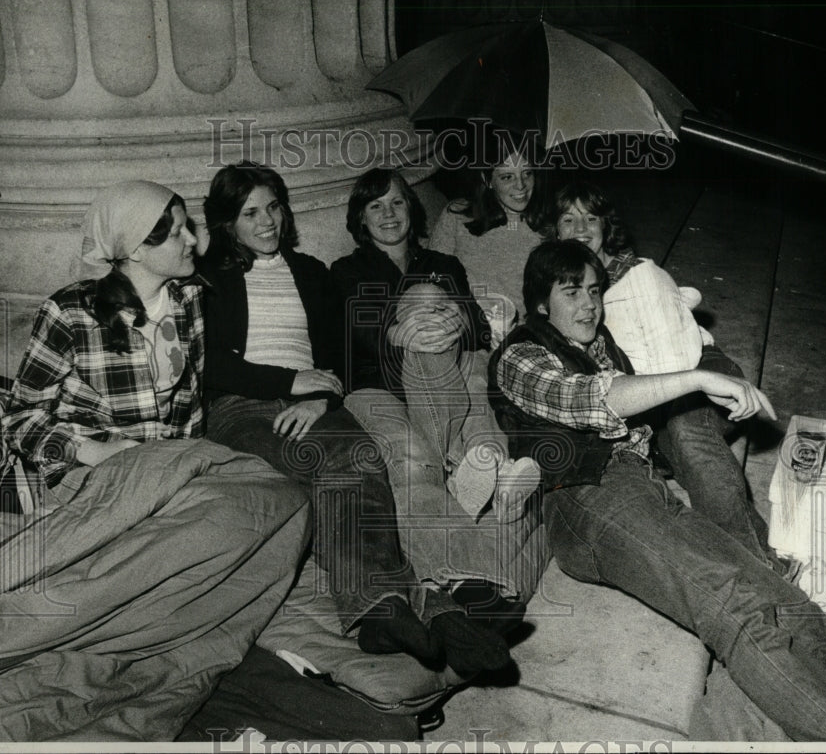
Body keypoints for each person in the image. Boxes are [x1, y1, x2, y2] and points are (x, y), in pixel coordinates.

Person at [487, 240, 826, 742]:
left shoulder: (602, 346)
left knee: (789, 603)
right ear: (539, 303)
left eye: (594, 291)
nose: (589, 304)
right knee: (735, 604)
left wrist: (708, 373)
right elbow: (593, 400)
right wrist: (695, 377)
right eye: (570, 292)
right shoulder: (521, 354)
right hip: (586, 498)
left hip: (637, 489)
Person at [0, 181, 312, 741]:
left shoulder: (192, 300)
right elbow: (19, 418)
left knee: (280, 504)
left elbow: (193, 413)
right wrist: (90, 450)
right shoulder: (70, 311)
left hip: (174, 472)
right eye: (175, 231)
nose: (193, 240)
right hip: (99, 481)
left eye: (188, 225)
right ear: (132, 247)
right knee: (112, 579)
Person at [198, 161, 509, 677]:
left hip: (314, 402)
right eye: (250, 213)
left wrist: (322, 396)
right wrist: (288, 384)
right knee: (340, 457)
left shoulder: (311, 273)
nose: (267, 222)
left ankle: (412, 613)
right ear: (228, 223)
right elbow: (210, 362)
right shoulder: (210, 279)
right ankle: (408, 606)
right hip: (242, 406)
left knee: (364, 457)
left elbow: (338, 354)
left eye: (273, 207)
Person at [330, 168, 546, 637]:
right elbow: (355, 336)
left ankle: (477, 470)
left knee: (475, 394)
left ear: (412, 208)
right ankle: (477, 580)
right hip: (379, 390)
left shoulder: (444, 264)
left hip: (457, 379)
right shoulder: (347, 271)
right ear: (360, 219)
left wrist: (444, 325)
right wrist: (410, 328)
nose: (389, 214)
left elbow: (476, 326)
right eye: (376, 206)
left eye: (398, 203)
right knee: (410, 460)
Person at [547, 176, 778, 565]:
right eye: (569, 220)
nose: (581, 230)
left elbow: (675, 360)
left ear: (606, 225)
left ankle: (763, 566)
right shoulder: (557, 285)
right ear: (554, 230)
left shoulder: (638, 274)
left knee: (687, 431)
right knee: (673, 450)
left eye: (591, 218)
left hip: (698, 371)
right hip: (646, 399)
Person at [428, 133, 545, 327]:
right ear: (487, 179)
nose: (521, 185)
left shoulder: (545, 227)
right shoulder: (457, 216)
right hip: (464, 328)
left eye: (527, 173)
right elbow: (432, 274)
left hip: (522, 336)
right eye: (507, 177)